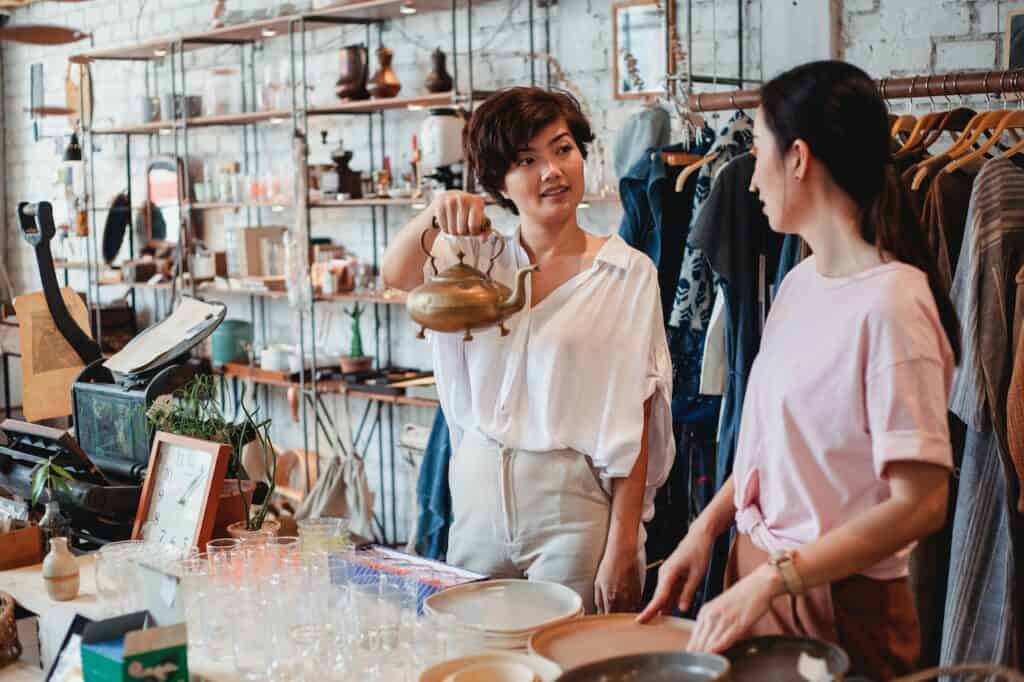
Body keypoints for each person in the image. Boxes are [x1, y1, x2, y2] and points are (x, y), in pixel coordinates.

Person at [639, 61, 960, 680]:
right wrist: (704, 531)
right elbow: (771, 453)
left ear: (799, 158)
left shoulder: (894, 304)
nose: (750, 175)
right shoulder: (801, 280)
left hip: (837, 599)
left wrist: (778, 581)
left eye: (758, 150)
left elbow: (922, 504)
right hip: (754, 576)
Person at [382, 88, 675, 614]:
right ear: (499, 181)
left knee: (567, 660)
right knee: (475, 656)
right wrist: (434, 213)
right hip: (475, 488)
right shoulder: (472, 257)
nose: (552, 171)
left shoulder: (626, 272)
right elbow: (398, 274)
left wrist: (624, 542)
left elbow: (639, 408)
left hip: (572, 497)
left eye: (563, 150)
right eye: (526, 160)